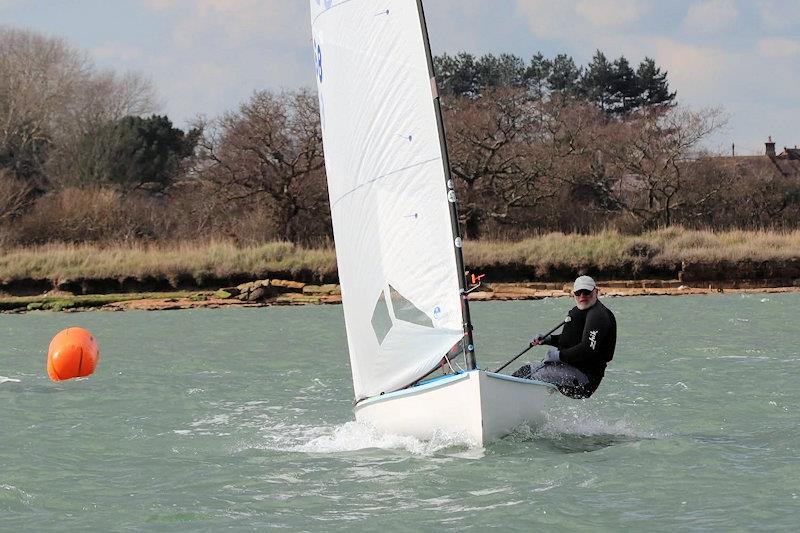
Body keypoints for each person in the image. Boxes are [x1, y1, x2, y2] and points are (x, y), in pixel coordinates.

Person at [513, 275, 616, 398]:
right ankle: (520, 409)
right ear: (573, 294)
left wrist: (558, 356)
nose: (582, 296)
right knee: (528, 374)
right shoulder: (585, 311)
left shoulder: (598, 316)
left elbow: (587, 348)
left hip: (584, 379)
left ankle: (503, 400)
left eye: (586, 292)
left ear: (596, 292)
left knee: (528, 373)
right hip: (570, 369)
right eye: (578, 292)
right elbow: (573, 339)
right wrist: (549, 339)